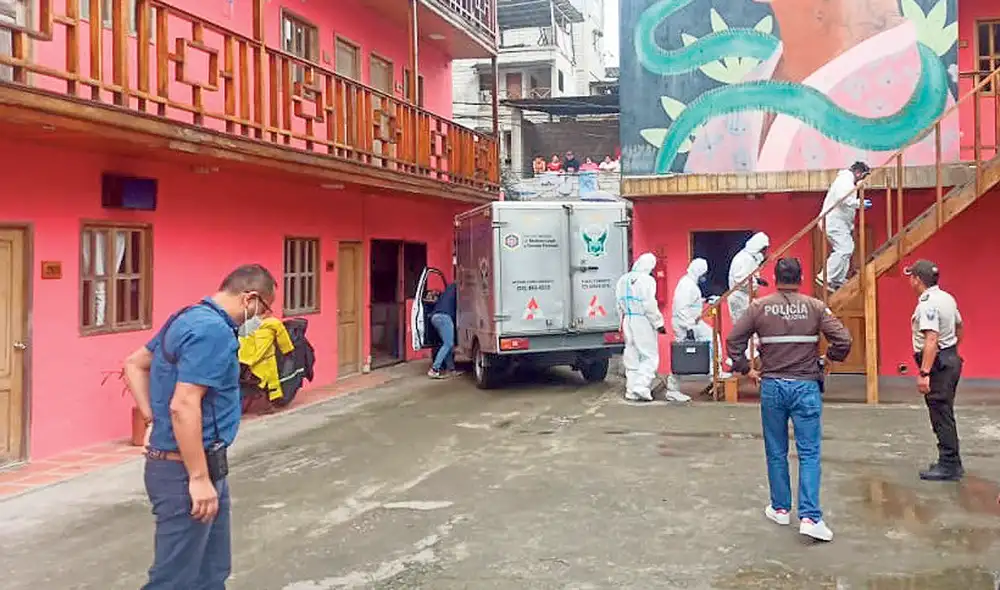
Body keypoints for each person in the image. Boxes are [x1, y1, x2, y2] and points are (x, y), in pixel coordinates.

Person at [123, 264, 278, 588]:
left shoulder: (187, 317)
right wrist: (198, 478)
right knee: (175, 579)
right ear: (250, 298)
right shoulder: (213, 332)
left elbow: (135, 364)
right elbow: (184, 404)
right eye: (263, 309)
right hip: (185, 471)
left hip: (200, 465)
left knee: (211, 572)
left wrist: (152, 419)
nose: (261, 319)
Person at [727, 257, 851, 542]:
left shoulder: (758, 307)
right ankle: (810, 517)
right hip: (805, 386)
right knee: (808, 453)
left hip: (772, 386)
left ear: (776, 276)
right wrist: (827, 360)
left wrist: (746, 369)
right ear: (801, 277)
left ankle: (781, 509)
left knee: (776, 449)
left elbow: (734, 340)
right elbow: (843, 340)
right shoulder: (816, 307)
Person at [906, 259, 965, 481]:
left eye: (911, 277)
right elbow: (960, 325)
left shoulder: (928, 304)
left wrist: (924, 373)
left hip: (938, 364)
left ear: (917, 280)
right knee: (945, 411)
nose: (910, 281)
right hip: (949, 358)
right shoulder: (947, 298)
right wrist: (952, 351)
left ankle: (949, 464)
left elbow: (931, 338)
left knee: (941, 414)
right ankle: (951, 461)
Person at [615, 253, 690, 402]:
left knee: (632, 354)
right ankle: (641, 386)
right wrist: (658, 323)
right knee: (649, 355)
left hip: (628, 319)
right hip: (642, 320)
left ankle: (631, 389)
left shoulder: (623, 279)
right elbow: (649, 304)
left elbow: (618, 304)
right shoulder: (647, 280)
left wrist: (620, 323)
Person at [817, 161, 872, 292]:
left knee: (847, 248)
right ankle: (826, 276)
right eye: (863, 176)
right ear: (858, 173)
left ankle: (836, 279)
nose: (863, 179)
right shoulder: (845, 180)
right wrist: (859, 203)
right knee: (845, 248)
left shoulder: (848, 181)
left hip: (837, 222)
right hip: (833, 222)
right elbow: (843, 198)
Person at [671, 258, 726, 376]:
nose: (704, 276)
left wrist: (706, 300)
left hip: (689, 321)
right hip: (687, 323)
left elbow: (691, 302)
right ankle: (715, 371)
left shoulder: (689, 283)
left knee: (683, 354)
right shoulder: (687, 285)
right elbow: (682, 307)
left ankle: (714, 371)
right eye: (704, 273)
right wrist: (689, 327)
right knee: (711, 338)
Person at [238, 309, 294, 403]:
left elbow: (242, 340)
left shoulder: (247, 324)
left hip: (245, 358)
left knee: (244, 381)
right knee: (270, 382)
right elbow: (283, 339)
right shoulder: (274, 323)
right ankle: (268, 404)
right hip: (265, 359)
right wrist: (287, 351)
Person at [728, 231, 770, 323]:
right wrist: (754, 283)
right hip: (740, 299)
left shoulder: (748, 258)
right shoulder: (744, 259)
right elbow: (742, 281)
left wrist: (757, 281)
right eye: (764, 250)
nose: (765, 253)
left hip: (745, 298)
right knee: (744, 329)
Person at [428, 281, 458, 379]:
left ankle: (451, 369)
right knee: (448, 344)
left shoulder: (449, 288)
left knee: (447, 343)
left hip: (435, 316)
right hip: (444, 317)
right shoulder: (459, 289)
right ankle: (434, 369)